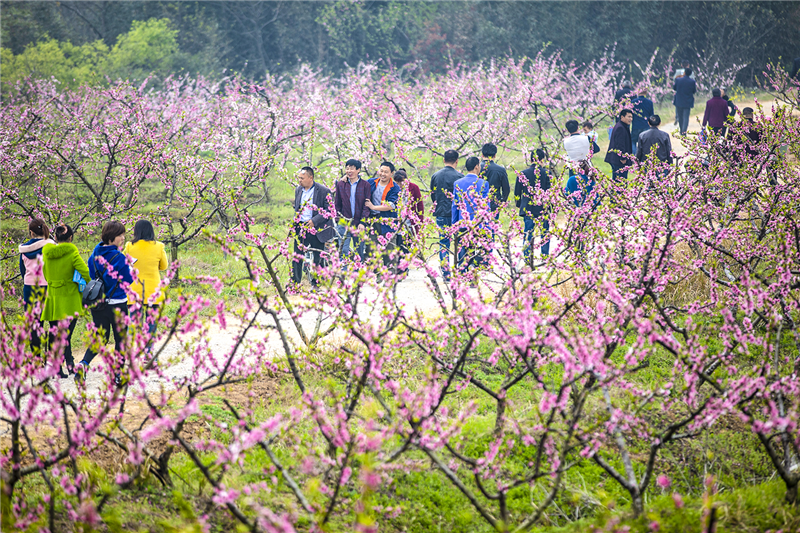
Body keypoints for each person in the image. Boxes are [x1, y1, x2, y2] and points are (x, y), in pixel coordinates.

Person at [76, 221, 134, 385]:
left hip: (98, 303)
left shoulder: (94, 255)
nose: (123, 238)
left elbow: (92, 274)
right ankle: (118, 374)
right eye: (120, 235)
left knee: (100, 337)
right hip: (117, 304)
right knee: (120, 339)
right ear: (112, 237)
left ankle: (83, 364)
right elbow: (128, 280)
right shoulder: (120, 258)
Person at [41, 224, 90, 378]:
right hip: (69, 298)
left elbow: (45, 274)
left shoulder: (47, 253)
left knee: (55, 333)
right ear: (70, 238)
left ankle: (64, 366)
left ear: (55, 237)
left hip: (53, 298)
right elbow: (85, 271)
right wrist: (90, 283)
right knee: (66, 335)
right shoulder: (72, 252)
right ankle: (65, 366)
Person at [123, 220, 168, 338]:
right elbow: (164, 266)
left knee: (133, 324)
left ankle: (129, 352)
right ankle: (149, 353)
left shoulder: (129, 246)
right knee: (151, 324)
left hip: (135, 290)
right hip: (153, 291)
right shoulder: (159, 246)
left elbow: (123, 263)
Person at [290, 167, 334, 286]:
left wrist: (314, 221)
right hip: (301, 227)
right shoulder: (298, 189)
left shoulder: (324, 191)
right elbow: (297, 208)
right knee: (297, 256)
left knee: (318, 257)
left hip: (317, 228)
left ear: (311, 177)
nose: (299, 180)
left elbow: (329, 210)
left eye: (302, 178)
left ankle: (317, 283)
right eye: (299, 178)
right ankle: (295, 283)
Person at [19, 218, 54, 353]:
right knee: (53, 323)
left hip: (30, 288)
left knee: (34, 324)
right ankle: (52, 359)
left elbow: (23, 272)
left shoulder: (24, 249)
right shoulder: (51, 246)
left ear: (31, 233)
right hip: (48, 288)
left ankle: (36, 357)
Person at [453, 157, 492, 275]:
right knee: (476, 251)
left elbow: (455, 206)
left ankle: (462, 275)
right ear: (476, 167)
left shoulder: (457, 183)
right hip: (478, 224)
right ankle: (473, 276)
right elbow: (486, 207)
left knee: (462, 251)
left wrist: (454, 224)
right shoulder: (484, 183)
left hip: (462, 223)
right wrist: (488, 226)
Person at [429, 149, 463, 280]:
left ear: (443, 160)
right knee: (460, 243)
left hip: (441, 213)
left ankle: (446, 274)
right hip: (456, 215)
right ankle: (461, 271)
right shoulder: (460, 176)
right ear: (456, 161)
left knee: (444, 243)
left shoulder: (436, 175)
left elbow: (433, 194)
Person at [515, 149, 552, 265]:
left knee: (528, 233)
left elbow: (517, 193)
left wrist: (519, 205)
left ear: (531, 159)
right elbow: (551, 192)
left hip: (528, 208)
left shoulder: (523, 173)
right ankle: (544, 256)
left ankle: (527, 258)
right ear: (542, 160)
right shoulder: (547, 173)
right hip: (543, 208)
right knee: (544, 233)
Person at [365, 161, 401, 270]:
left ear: (391, 173)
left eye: (386, 172)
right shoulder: (371, 182)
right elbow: (357, 184)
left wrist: (373, 207)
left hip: (388, 221)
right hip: (372, 220)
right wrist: (345, 178)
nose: (383, 174)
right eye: (381, 171)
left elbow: (390, 206)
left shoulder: (395, 188)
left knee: (389, 249)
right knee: (372, 248)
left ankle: (390, 276)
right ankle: (377, 274)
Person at [333, 159, 370, 259]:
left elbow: (366, 206)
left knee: (359, 251)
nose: (349, 171)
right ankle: (344, 273)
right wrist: (338, 220)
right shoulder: (341, 184)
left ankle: (358, 274)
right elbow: (337, 204)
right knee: (343, 251)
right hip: (344, 222)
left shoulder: (365, 185)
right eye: (347, 168)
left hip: (359, 223)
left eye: (352, 169)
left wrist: (363, 222)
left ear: (358, 170)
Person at [393, 168, 424, 260]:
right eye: (397, 182)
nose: (399, 185)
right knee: (395, 248)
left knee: (405, 248)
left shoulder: (413, 187)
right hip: (395, 222)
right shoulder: (392, 187)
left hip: (409, 223)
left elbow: (420, 205)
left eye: (401, 182)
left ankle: (404, 270)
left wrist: (419, 221)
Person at [636, 115, 673, 179]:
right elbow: (669, 152)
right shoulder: (665, 135)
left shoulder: (642, 135)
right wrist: (670, 165)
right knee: (662, 186)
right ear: (659, 123)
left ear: (648, 123)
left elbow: (639, 152)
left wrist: (638, 165)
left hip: (647, 166)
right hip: (662, 166)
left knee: (648, 186)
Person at [479, 143, 510, 214]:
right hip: (494, 204)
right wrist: (502, 201)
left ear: (482, 154)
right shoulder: (501, 169)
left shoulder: (476, 168)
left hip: (478, 203)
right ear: (495, 155)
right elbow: (506, 189)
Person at [605, 109, 634, 183]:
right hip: (619, 160)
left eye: (631, 117)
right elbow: (620, 144)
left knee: (618, 181)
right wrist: (623, 157)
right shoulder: (620, 127)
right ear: (622, 117)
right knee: (620, 181)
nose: (631, 119)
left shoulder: (622, 126)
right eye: (629, 117)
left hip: (618, 159)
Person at [673, 67, 697, 135]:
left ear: (684, 72)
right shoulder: (692, 82)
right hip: (688, 101)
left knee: (680, 117)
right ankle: (684, 131)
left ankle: (681, 130)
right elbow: (694, 91)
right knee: (686, 117)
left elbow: (674, 88)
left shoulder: (678, 80)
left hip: (679, 101)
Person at [630, 89, 654, 154]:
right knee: (646, 143)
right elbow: (652, 116)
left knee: (633, 141)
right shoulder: (649, 102)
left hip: (635, 126)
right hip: (646, 126)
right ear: (646, 93)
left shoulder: (633, 102)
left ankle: (634, 156)